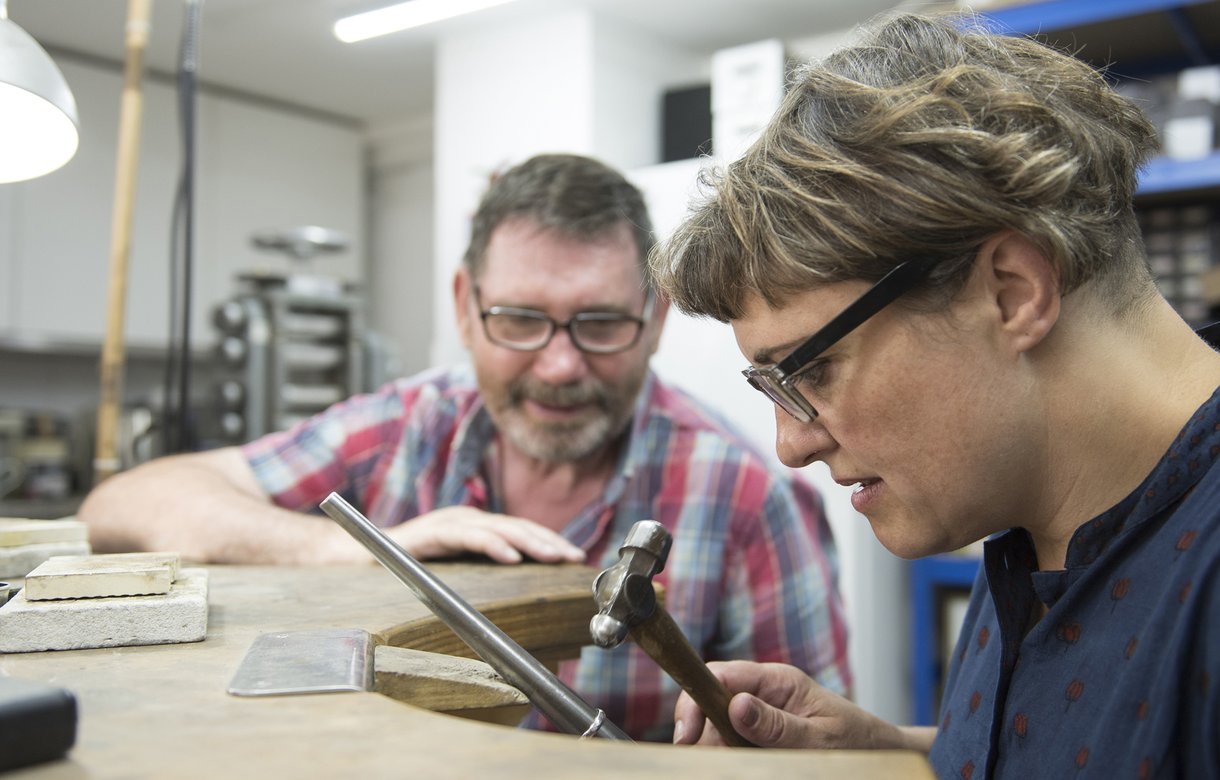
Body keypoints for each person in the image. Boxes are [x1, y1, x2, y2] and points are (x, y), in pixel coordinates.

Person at [653, 11, 1220, 778]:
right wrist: (895, 753)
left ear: (1011, 293)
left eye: (810, 372)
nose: (791, 443)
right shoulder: (1036, 507)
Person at [79, 153, 851, 742]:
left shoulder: (750, 500)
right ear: (463, 304)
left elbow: (820, 757)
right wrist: (363, 550)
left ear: (654, 317)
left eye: (600, 323)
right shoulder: (402, 428)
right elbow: (127, 503)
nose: (558, 365)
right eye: (520, 319)